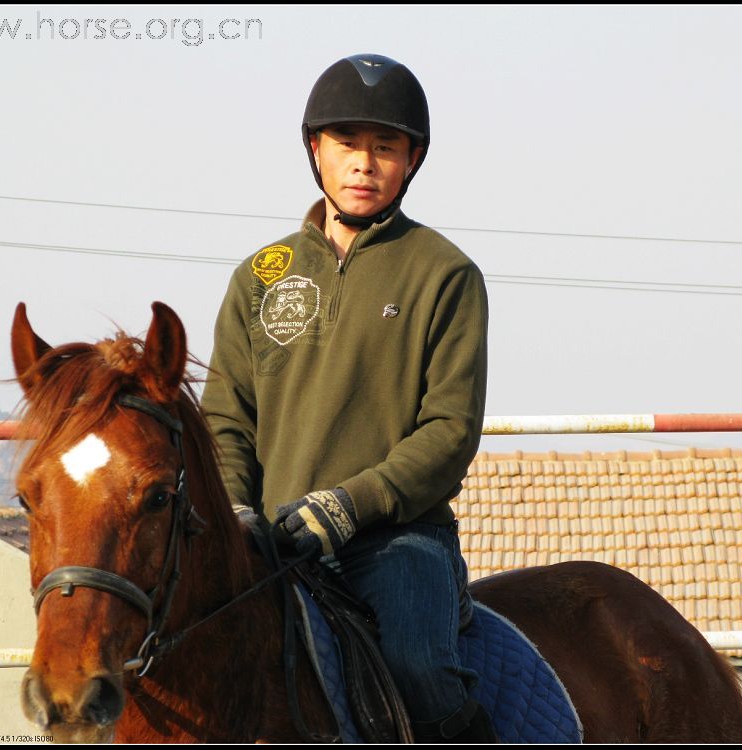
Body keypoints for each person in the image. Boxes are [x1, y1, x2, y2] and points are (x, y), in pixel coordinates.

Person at [201, 53, 493, 742]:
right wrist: (237, 509)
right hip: (271, 540)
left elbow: (449, 432)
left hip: (396, 540)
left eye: (384, 147)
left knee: (417, 666)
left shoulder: (445, 273)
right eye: (347, 145)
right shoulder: (260, 276)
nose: (364, 164)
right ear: (316, 150)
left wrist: (347, 505)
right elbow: (226, 417)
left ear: (411, 160)